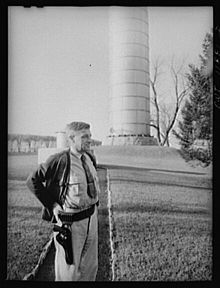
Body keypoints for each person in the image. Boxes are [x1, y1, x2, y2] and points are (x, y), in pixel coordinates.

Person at [26, 121, 100, 281]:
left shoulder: (89, 158)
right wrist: (52, 205)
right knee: (68, 273)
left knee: (90, 270)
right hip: (70, 226)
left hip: (92, 221)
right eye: (85, 136)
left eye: (90, 135)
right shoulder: (59, 160)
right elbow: (32, 181)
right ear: (71, 139)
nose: (90, 139)